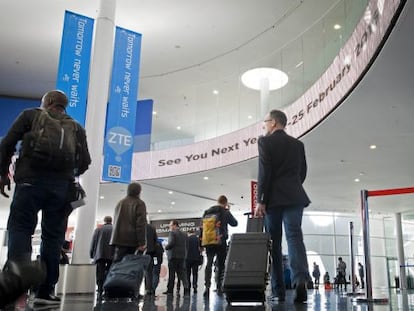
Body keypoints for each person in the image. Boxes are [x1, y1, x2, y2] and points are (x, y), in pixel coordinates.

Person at [0, 90, 91, 305]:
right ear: (63, 105)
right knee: (53, 238)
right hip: (61, 189)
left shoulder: (31, 115)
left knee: (21, 228)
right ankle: (45, 292)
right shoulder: (76, 128)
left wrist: (3, 173)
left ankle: (17, 283)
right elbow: (85, 161)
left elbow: (6, 144)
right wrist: (68, 174)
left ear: (47, 102)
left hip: (29, 183)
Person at [254, 109, 311, 303]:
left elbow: (264, 172)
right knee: (295, 236)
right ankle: (300, 279)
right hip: (295, 196)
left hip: (273, 200)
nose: (264, 125)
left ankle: (278, 291)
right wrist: (292, 187)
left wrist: (261, 200)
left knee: (275, 244)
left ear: (274, 122)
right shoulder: (298, 144)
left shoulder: (264, 141)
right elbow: (302, 172)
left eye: (265, 122)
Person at [202, 195, 238, 297]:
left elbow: (203, 227)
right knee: (221, 264)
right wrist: (228, 211)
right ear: (226, 203)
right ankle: (219, 286)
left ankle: (207, 287)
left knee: (208, 263)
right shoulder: (225, 212)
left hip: (208, 241)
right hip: (220, 241)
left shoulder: (207, 211)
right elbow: (235, 223)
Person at [110, 182, 147, 263]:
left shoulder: (120, 203)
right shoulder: (139, 203)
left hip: (118, 239)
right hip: (132, 240)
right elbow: (140, 224)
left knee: (118, 265)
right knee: (129, 267)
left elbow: (116, 221)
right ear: (139, 191)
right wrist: (141, 243)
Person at [90, 216, 115, 298]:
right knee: (111, 272)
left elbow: (93, 242)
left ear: (104, 221)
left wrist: (91, 254)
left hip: (100, 254)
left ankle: (100, 289)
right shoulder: (115, 229)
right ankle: (108, 288)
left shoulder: (98, 230)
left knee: (100, 272)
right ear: (111, 221)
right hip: (112, 255)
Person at [163, 220, 190, 296]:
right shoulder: (184, 234)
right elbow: (187, 246)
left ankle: (170, 290)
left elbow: (171, 243)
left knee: (172, 274)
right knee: (182, 273)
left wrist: (166, 247)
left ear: (175, 225)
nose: (170, 227)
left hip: (173, 257)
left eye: (170, 225)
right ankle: (186, 288)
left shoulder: (172, 233)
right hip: (182, 257)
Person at [186, 229, 202, 294]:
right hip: (196, 259)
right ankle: (195, 286)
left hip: (188, 259)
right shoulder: (198, 239)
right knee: (195, 273)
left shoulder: (187, 239)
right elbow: (201, 249)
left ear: (189, 233)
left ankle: (188, 286)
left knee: (188, 273)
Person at [145, 222, 158, 296]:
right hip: (150, 253)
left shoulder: (138, 227)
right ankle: (149, 289)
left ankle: (137, 290)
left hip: (140, 252)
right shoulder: (152, 228)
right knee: (149, 272)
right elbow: (155, 241)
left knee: (138, 272)